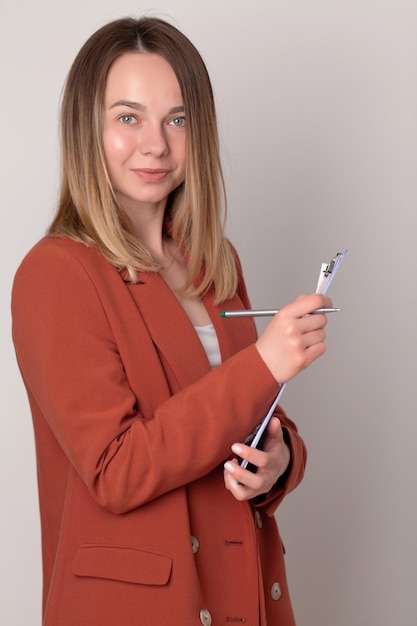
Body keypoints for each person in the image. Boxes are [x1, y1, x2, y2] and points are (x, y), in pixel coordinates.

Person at [11, 16, 332, 626]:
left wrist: (280, 460)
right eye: (128, 117)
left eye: (177, 119)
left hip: (244, 590)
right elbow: (117, 469)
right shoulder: (56, 272)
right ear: (89, 130)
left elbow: (256, 415)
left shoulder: (215, 260)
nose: (156, 144)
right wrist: (265, 361)